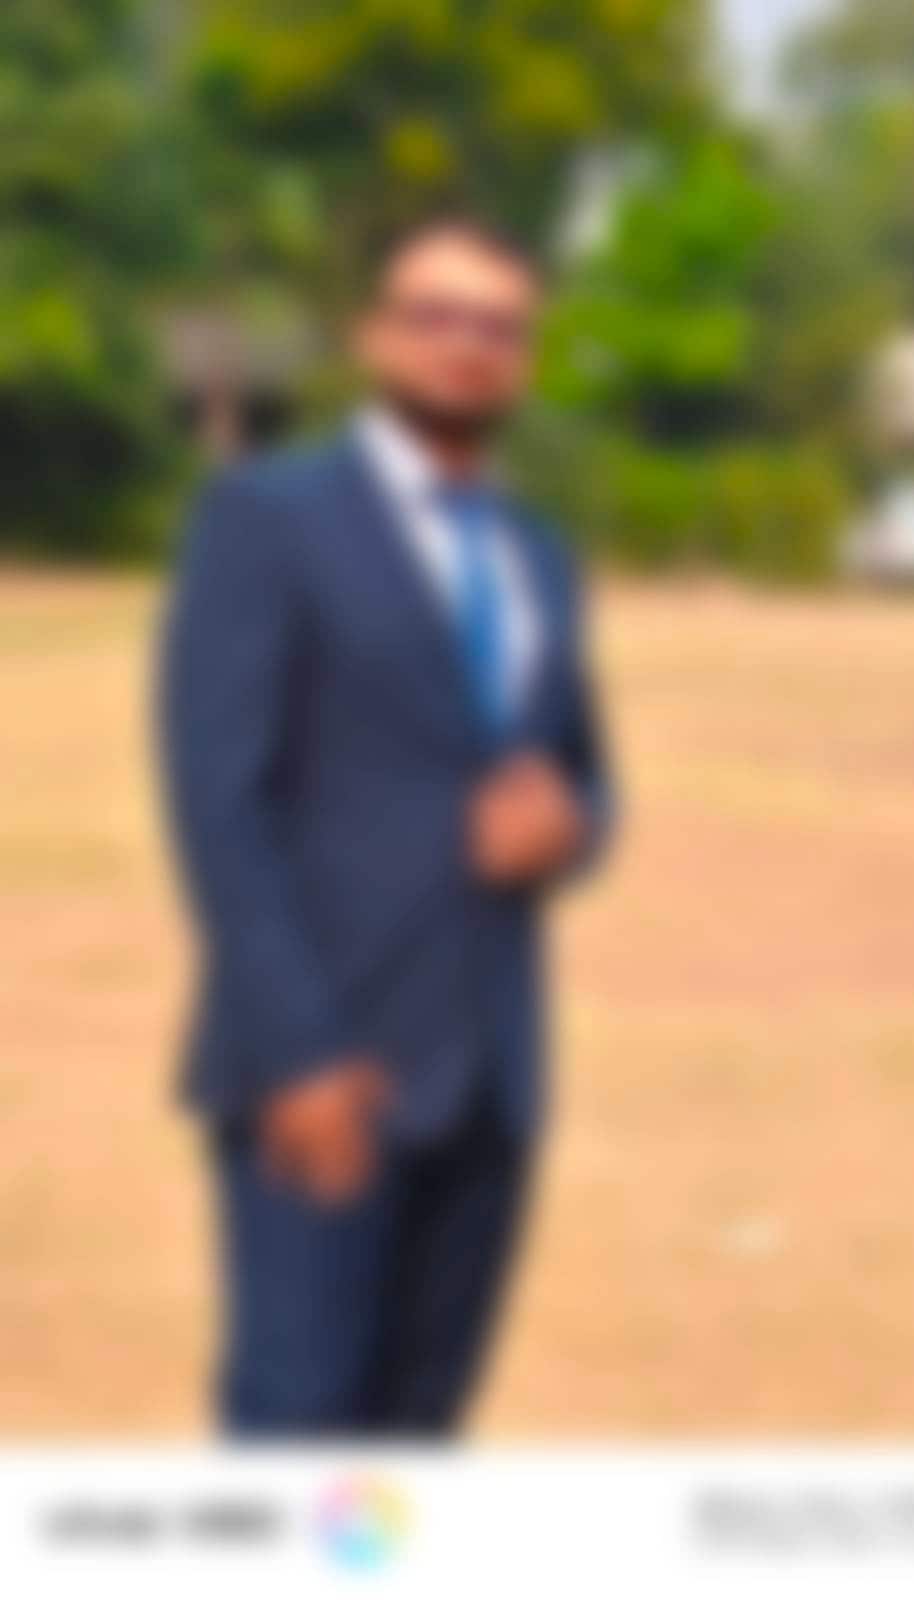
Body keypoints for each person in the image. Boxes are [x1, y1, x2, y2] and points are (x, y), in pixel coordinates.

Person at [160, 216, 614, 1436]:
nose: (468, 343)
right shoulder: (266, 517)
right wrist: (296, 1052)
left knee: (422, 1441)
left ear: (525, 357)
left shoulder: (540, 555)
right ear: (374, 336)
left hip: (492, 1082)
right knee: (297, 1433)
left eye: (499, 325)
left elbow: (585, 774)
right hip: (327, 1075)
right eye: (435, 315)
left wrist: (572, 828)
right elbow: (219, 801)